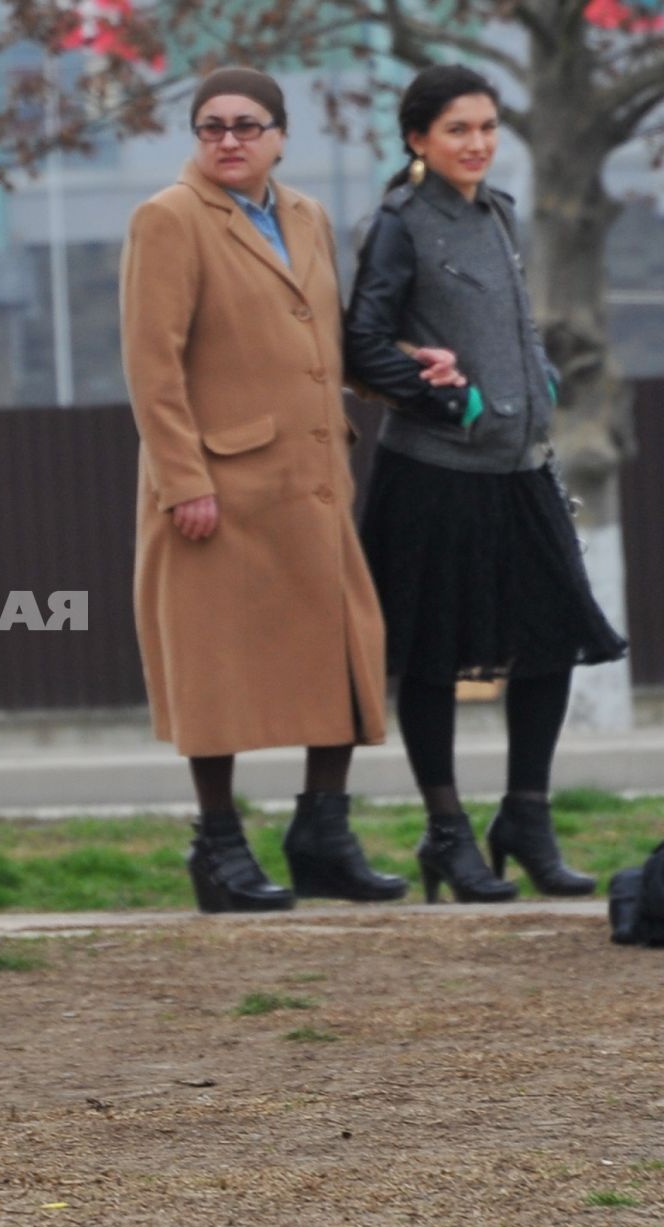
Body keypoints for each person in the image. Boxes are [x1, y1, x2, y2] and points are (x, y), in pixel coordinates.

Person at [119, 67, 457, 913]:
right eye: (210, 127)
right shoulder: (168, 219)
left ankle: (324, 836)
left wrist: (405, 370)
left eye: (245, 124)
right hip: (216, 493)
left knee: (342, 657)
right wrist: (183, 481)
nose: (227, 139)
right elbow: (151, 367)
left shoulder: (304, 216)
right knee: (215, 672)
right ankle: (219, 847)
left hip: (310, 483)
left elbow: (324, 345)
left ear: (279, 133)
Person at [344, 65, 627, 903]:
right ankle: (447, 833)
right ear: (418, 139)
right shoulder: (399, 223)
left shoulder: (498, 212)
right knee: (432, 659)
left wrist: (537, 373)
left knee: (552, 638)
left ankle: (525, 820)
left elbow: (512, 318)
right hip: (433, 474)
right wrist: (450, 396)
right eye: (459, 129)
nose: (477, 144)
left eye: (488, 128)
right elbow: (362, 341)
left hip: (520, 471)